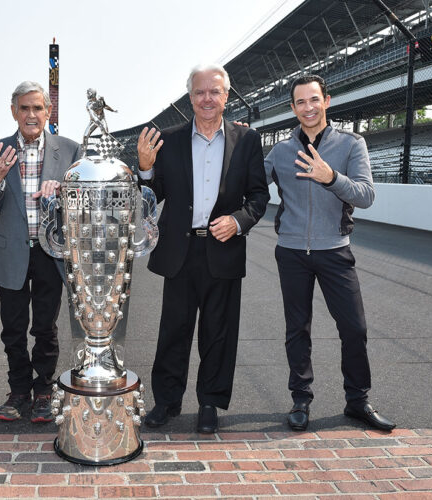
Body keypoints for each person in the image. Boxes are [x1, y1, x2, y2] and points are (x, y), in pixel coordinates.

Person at [137, 64, 269, 433]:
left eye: (215, 92)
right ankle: (167, 401)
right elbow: (152, 196)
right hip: (180, 251)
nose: (207, 99)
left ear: (226, 96)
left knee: (219, 332)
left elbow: (259, 195)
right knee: (173, 331)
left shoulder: (247, 141)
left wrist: (239, 221)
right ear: (190, 97)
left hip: (223, 248)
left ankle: (210, 402)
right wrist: (145, 170)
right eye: (200, 92)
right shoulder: (169, 140)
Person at [264, 74, 395, 432]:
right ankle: (300, 400)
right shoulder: (280, 151)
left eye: (314, 99)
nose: (308, 107)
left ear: (327, 101)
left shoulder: (352, 144)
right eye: (301, 102)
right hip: (291, 251)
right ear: (292, 108)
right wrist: (242, 140)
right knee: (297, 329)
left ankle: (358, 401)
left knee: (354, 328)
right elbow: (251, 183)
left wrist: (329, 176)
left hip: (335, 251)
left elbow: (366, 195)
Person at [0, 81, 81, 423]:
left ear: (48, 112)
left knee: (45, 327)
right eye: (24, 108)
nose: (31, 115)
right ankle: (18, 390)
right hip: (10, 252)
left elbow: (82, 206)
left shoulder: (70, 151)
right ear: (14, 112)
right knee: (12, 327)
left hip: (50, 252)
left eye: (38, 108)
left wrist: (63, 191)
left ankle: (43, 389)